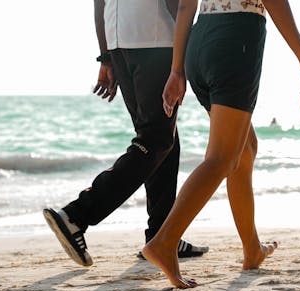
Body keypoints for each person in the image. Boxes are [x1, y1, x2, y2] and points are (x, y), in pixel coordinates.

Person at [141, 0, 300, 288]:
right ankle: (164, 242)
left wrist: (177, 70)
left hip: (199, 43)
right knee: (222, 158)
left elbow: (184, 7)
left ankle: (252, 249)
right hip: (236, 40)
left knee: (244, 149)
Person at [43, 0, 208, 267]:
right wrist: (189, 52)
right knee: (156, 140)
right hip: (155, 41)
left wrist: (106, 56)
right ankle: (76, 215)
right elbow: (176, 4)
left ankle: (162, 236)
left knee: (162, 142)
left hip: (119, 42)